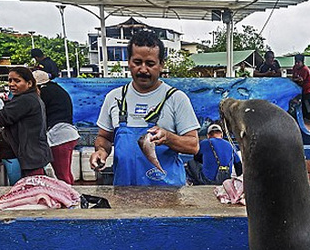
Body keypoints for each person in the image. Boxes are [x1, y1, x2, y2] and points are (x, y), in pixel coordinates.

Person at [90, 30, 200, 186]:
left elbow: (193, 145)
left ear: (161, 64)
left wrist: (168, 138)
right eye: (137, 62)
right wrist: (101, 151)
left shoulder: (176, 98)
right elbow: (104, 138)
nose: (143, 69)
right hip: (124, 192)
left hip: (167, 196)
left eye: (150, 64)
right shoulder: (114, 97)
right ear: (128, 62)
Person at [33, 70, 79, 185]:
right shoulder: (57, 89)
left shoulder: (44, 92)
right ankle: (71, 196)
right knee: (66, 173)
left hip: (60, 135)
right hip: (68, 133)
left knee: (62, 174)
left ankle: (69, 199)